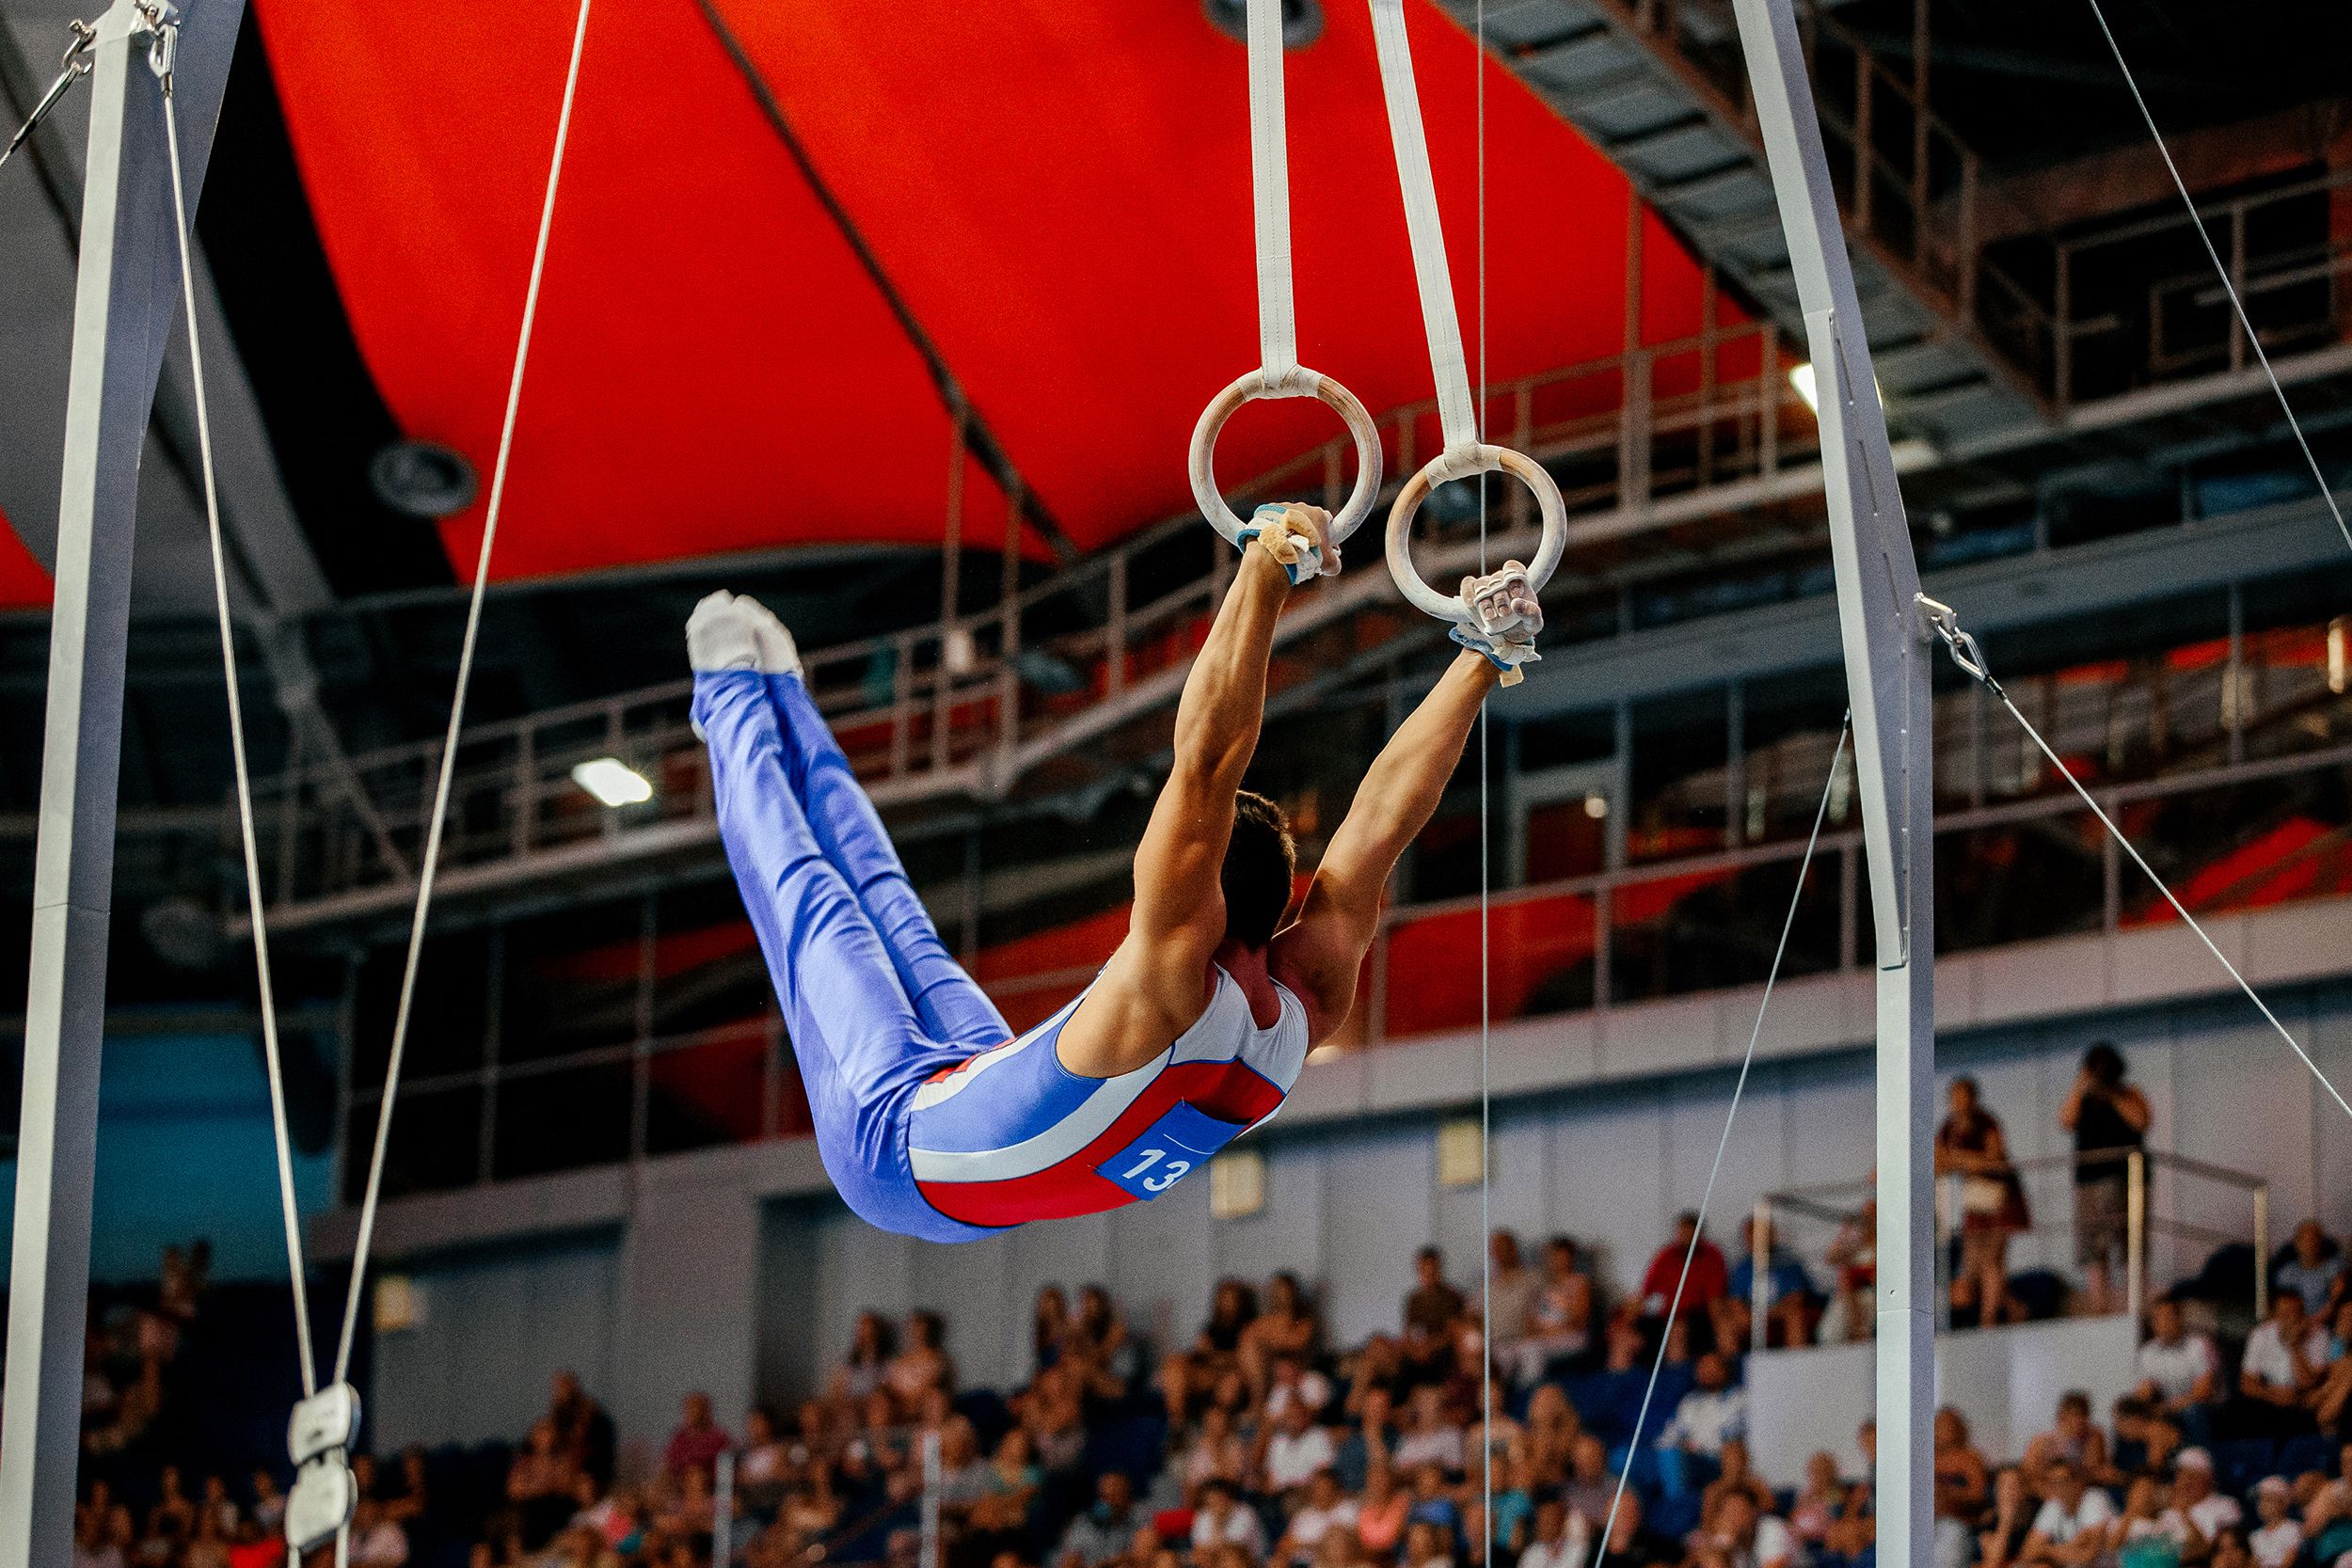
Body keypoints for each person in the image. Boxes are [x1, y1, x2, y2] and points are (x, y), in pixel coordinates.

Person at [689, 510, 1536, 1240]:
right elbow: (1381, 821)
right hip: (981, 1096)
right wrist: (1479, 661)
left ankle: (728, 689)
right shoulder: (1306, 995)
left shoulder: (1176, 979)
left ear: (1194, 890)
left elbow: (1207, 760)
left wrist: (1264, 571)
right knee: (888, 902)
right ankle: (784, 691)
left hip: (894, 1151)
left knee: (816, 901)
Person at [2060, 1042, 2151, 1316]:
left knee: (2131, 1244)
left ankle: (2137, 1305)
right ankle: (2100, 1306)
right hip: (2090, 1180)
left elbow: (2141, 1121)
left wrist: (2111, 1094)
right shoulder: (2083, 1098)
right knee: (2093, 1247)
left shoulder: (2128, 1093)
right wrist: (2081, 1085)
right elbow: (2065, 1120)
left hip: (2126, 1179)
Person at [1937, 1077, 2028, 1328]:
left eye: (1962, 1097)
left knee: (1991, 1259)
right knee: (1973, 1265)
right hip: (1973, 1200)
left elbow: (1994, 1159)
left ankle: (1988, 1319)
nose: (1958, 1103)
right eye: (1954, 1098)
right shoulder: (1948, 1128)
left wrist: (1961, 1160)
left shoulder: (1986, 1123)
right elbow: (1938, 1160)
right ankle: (2013, 1307)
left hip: (1999, 1198)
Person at [2137, 1296, 2224, 1447]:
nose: (2163, 1323)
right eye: (2157, 1319)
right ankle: (2143, 1467)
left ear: (2179, 1319)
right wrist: (2141, 1409)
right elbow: (2144, 1392)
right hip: (2169, 1408)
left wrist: (2167, 1408)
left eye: (2167, 1317)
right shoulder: (2147, 1352)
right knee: (2130, 1415)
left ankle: (2198, 1459)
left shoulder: (2199, 1345)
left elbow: (2203, 1392)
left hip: (2206, 1407)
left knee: (2193, 1411)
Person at [2240, 1291, 2324, 1435]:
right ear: (2275, 1315)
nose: (2292, 1318)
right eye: (2285, 1314)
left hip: (2303, 1399)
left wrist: (2294, 1346)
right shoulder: (2260, 1335)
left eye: (2296, 1312)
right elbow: (2246, 1383)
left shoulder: (2319, 1335)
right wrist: (2272, 1395)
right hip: (2269, 1396)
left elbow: (2308, 1383)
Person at [2019, 1456, 2118, 1568]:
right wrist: (2071, 1547)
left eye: (2062, 1482)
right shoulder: (2053, 1505)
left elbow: (2089, 1555)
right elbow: (2027, 1552)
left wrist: (2045, 1550)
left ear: (2077, 1482)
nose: (2058, 1489)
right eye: (2053, 1483)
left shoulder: (2094, 1498)